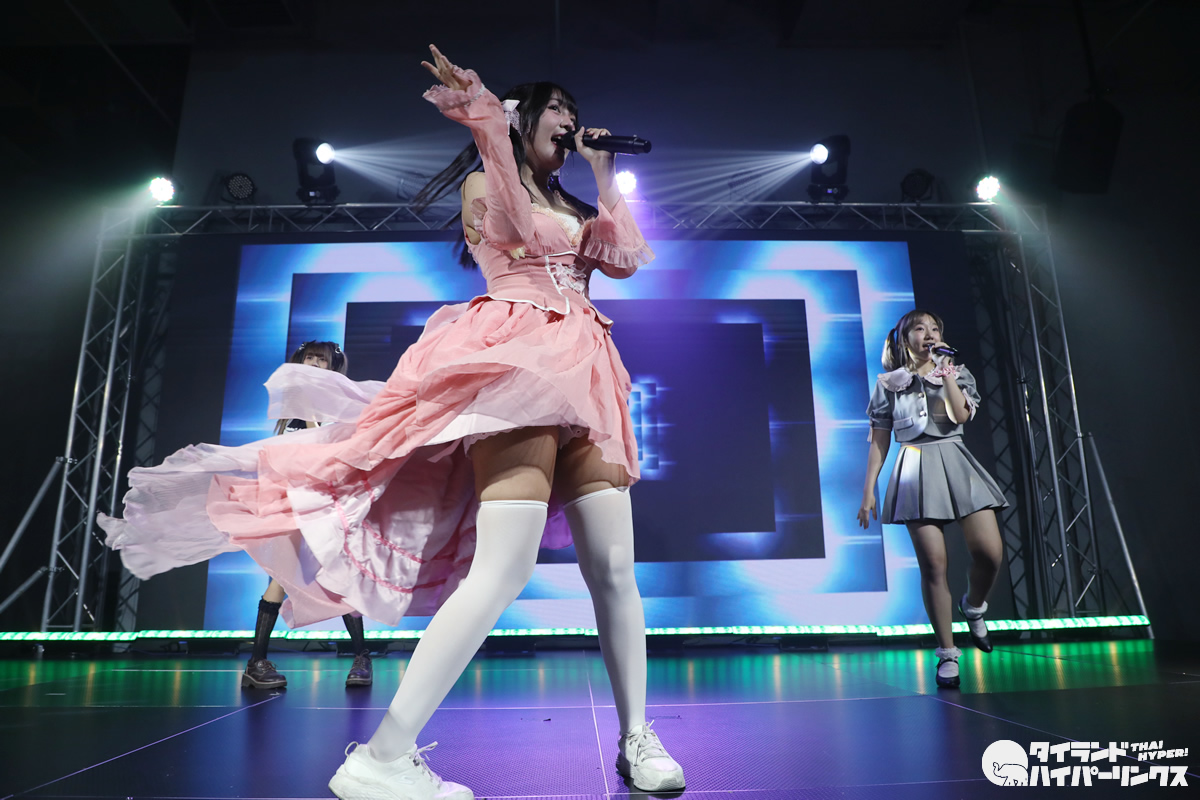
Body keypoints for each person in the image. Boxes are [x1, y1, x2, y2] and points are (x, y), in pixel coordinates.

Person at [102, 43, 683, 800]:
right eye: (556, 109)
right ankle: (383, 756)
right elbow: (513, 226)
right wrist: (486, 121)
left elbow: (627, 258)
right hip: (517, 364)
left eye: (575, 111)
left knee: (614, 569)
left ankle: (637, 737)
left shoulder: (577, 206)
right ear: (522, 121)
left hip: (589, 373)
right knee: (504, 568)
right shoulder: (487, 179)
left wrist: (604, 175)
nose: (571, 121)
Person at [857, 310, 1008, 689]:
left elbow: (960, 415)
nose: (929, 333)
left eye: (935, 328)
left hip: (955, 460)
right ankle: (947, 653)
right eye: (920, 328)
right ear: (904, 338)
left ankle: (973, 606)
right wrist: (868, 490)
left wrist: (946, 372)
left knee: (990, 553)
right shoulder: (889, 383)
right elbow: (879, 440)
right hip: (915, 466)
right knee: (933, 565)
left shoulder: (956, 372)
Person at [246, 341, 374, 690]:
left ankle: (361, 657)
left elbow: (329, 451)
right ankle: (256, 662)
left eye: (321, 360)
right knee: (280, 579)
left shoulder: (339, 406)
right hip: (295, 505)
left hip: (329, 505)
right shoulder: (292, 415)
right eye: (309, 358)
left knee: (341, 576)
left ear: (333, 367)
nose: (314, 363)